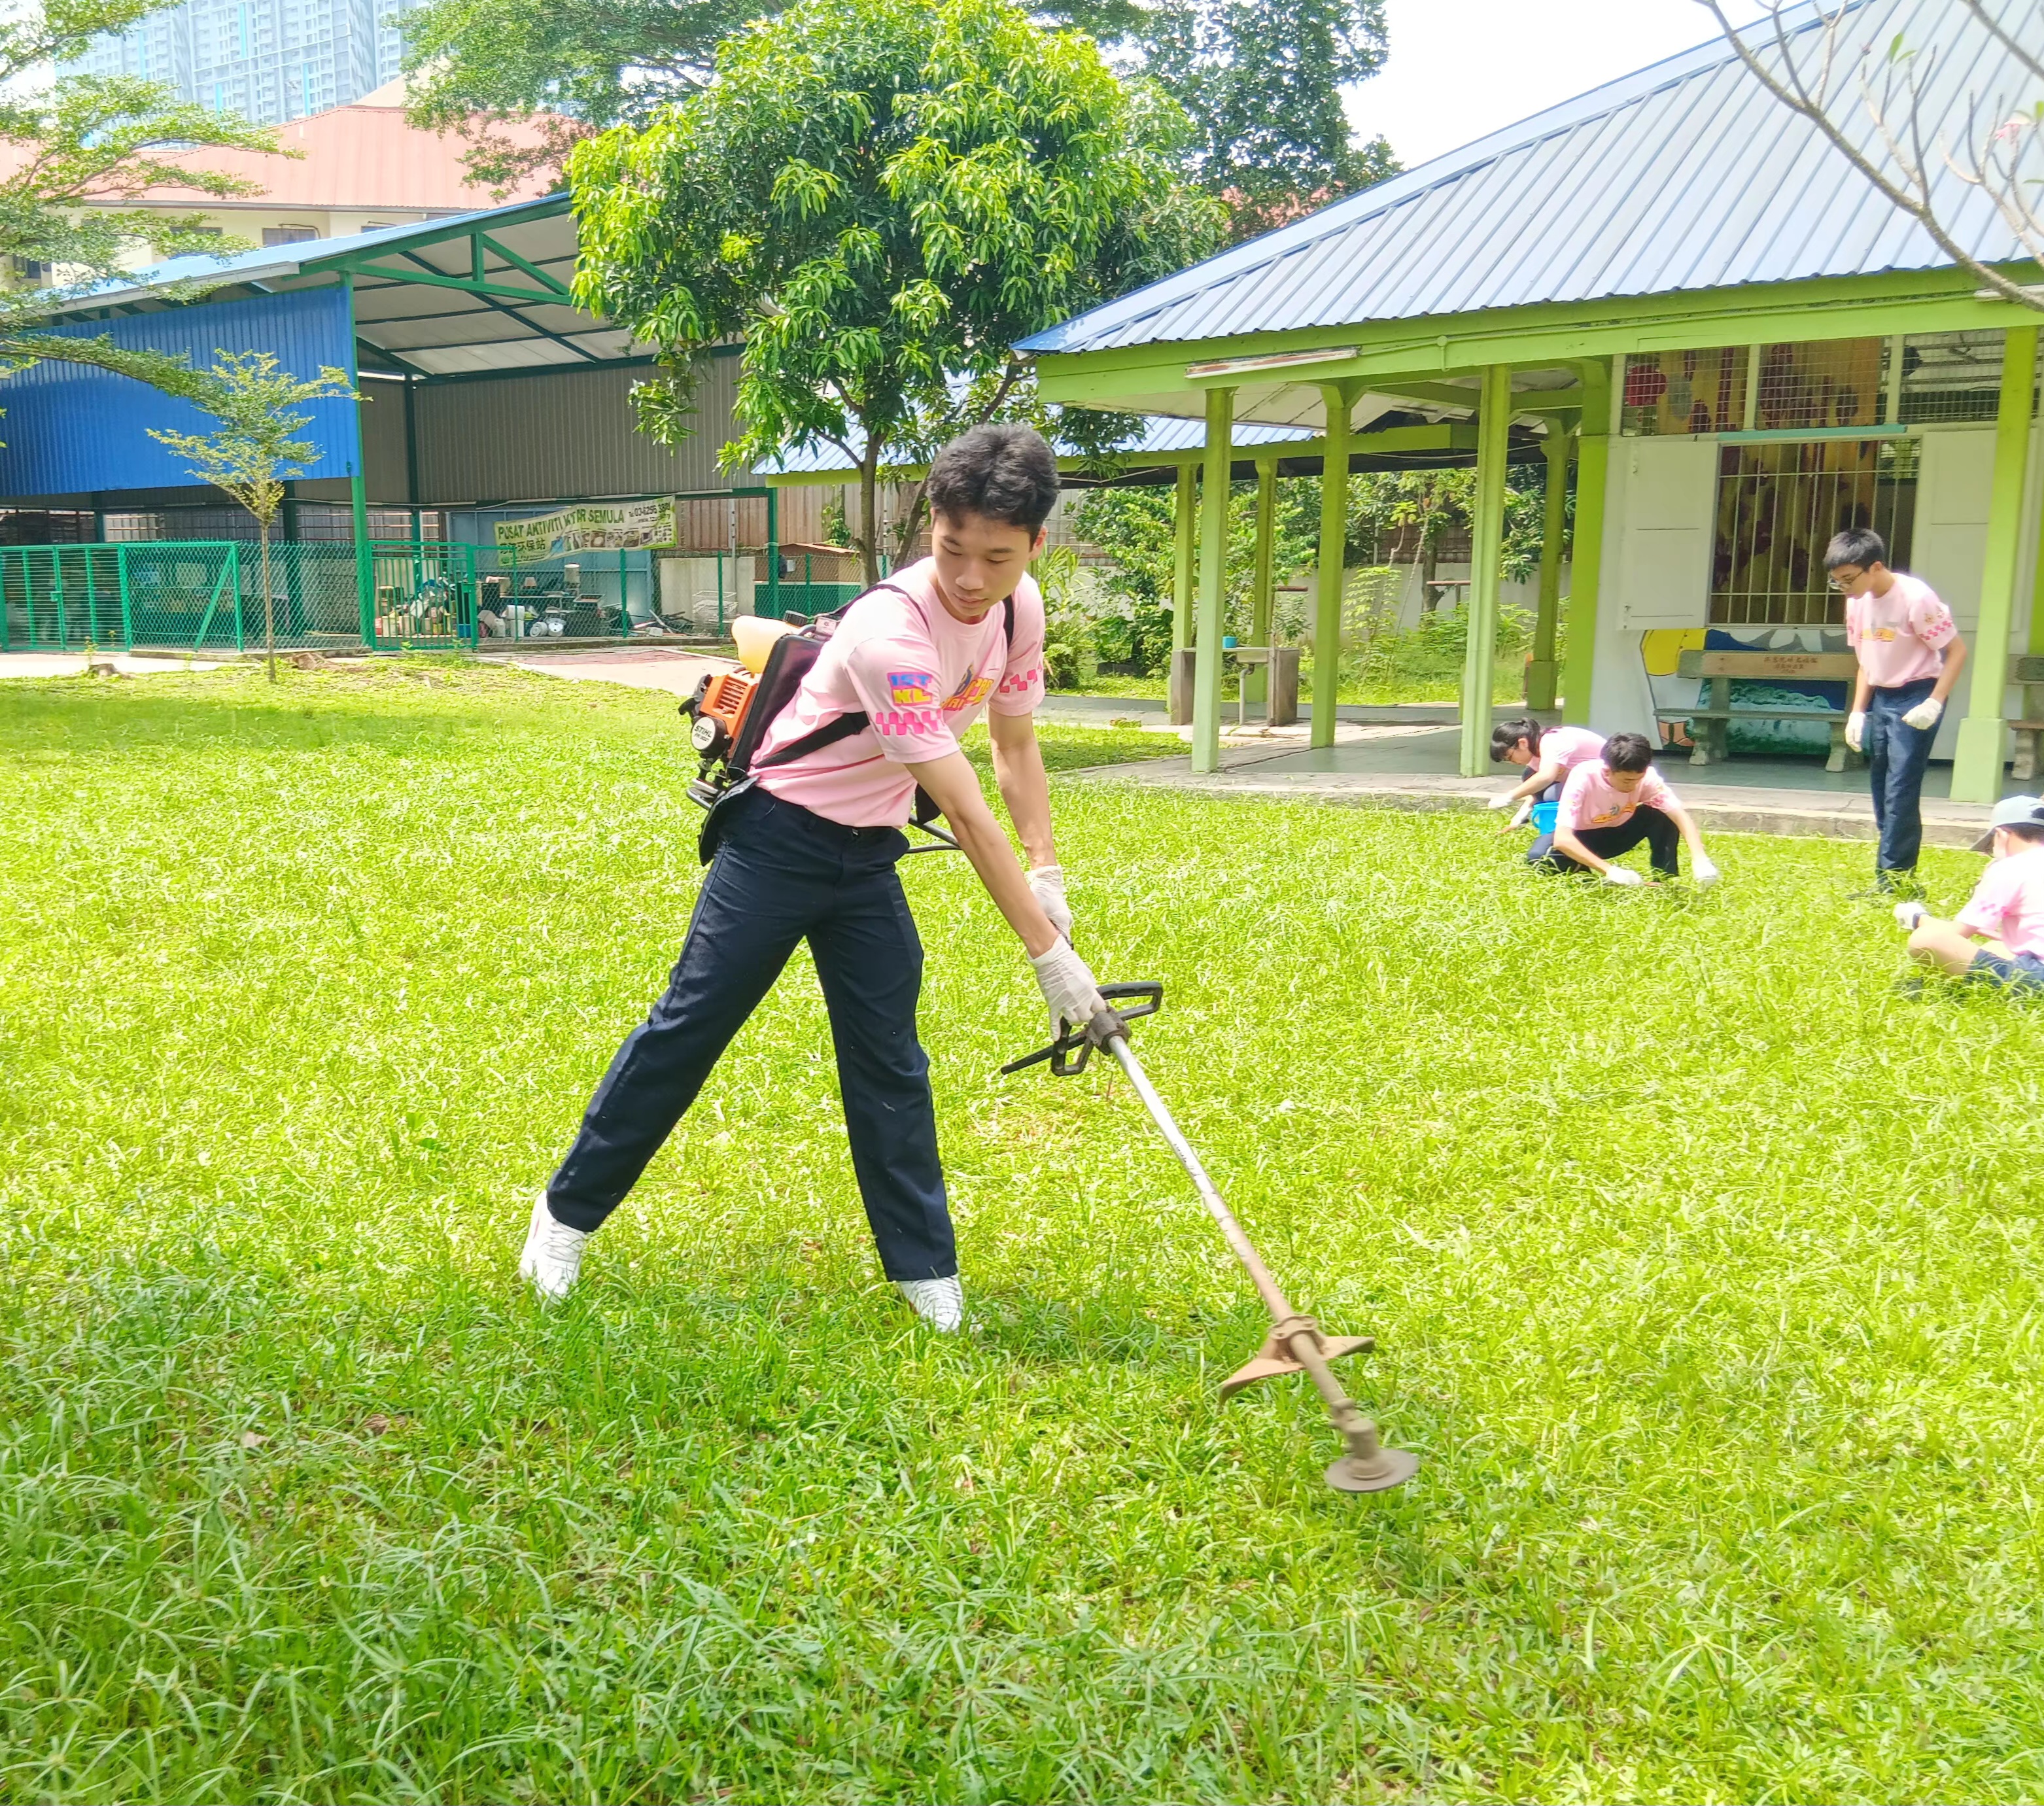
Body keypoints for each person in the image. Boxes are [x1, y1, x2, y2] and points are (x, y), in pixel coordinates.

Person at [516, 424, 1105, 1332]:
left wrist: (1049, 870)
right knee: (688, 1032)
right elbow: (962, 805)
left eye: (998, 557)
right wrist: (1047, 953)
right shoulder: (888, 632)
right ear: (931, 529)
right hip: (777, 842)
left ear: (1035, 546)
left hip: (869, 857)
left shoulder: (1019, 615)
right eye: (952, 549)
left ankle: (925, 1271)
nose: (971, 578)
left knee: (890, 1061)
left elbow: (1015, 745)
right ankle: (562, 1218)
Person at [1828, 525, 1968, 895]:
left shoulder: (1915, 598)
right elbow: (1865, 662)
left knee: (1901, 787)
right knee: (1880, 785)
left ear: (1875, 567)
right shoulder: (1856, 600)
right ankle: (1895, 871)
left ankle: (1894, 881)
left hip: (1919, 693)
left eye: (1848, 579)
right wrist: (1857, 712)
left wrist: (1934, 702)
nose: (1844, 587)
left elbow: (1957, 652)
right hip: (1882, 697)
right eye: (1837, 581)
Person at [1893, 795, 2044, 994]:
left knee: (1927, 939)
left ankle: (1951, 987)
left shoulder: (2010, 868)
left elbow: (1955, 934)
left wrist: (1918, 918)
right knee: (1996, 948)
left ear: (2001, 836)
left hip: (2038, 975)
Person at [1542, 731, 1720, 886]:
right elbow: (1562, 839)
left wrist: (1700, 858)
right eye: (1627, 780)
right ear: (1607, 771)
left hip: (1618, 833)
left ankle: (1663, 879)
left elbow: (1680, 816)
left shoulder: (1648, 777)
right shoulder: (1583, 776)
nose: (1634, 786)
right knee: (1539, 857)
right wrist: (1610, 871)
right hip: (1583, 836)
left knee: (1662, 814)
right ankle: (1587, 876)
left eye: (1638, 779)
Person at [1489, 717, 1607, 861]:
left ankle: (1569, 835)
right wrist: (1519, 818)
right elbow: (1536, 790)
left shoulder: (1553, 742)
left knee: (1552, 795)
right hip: (1584, 783)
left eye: (1510, 757)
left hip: (1605, 786)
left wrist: (1508, 797)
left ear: (1522, 743)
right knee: (1530, 777)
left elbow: (1546, 777)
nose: (1513, 763)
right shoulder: (1537, 751)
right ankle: (1558, 833)